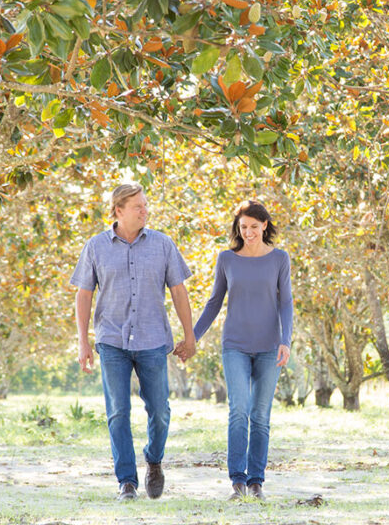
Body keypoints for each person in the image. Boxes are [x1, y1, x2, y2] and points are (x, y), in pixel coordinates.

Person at [73, 183, 197, 501]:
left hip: (153, 339)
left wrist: (190, 335)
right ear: (119, 210)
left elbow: (179, 291)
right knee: (118, 411)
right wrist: (83, 342)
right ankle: (126, 481)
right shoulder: (96, 247)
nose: (145, 211)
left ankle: (153, 461)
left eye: (145, 205)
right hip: (111, 339)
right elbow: (84, 294)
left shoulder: (163, 245)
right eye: (138, 206)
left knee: (160, 410)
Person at [180, 199, 293, 501]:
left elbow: (285, 303)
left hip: (270, 347)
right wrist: (193, 337)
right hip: (235, 347)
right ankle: (237, 482)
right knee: (238, 411)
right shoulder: (227, 259)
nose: (248, 232)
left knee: (260, 415)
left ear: (264, 225)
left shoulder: (280, 259)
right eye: (243, 227)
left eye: (254, 227)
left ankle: (256, 482)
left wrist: (286, 340)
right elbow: (214, 302)